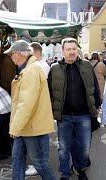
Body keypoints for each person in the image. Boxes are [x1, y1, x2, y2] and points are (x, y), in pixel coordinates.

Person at [48, 38, 100, 180]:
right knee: (63, 148)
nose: (72, 52)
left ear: (77, 49)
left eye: (74, 49)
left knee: (84, 148)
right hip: (64, 116)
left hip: (84, 115)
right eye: (68, 49)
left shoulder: (86, 65)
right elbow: (49, 91)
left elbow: (94, 87)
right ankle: (65, 173)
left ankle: (79, 168)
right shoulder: (54, 68)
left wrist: (97, 105)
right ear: (63, 51)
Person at [4, 40, 55, 180]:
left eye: (12, 54)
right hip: (26, 125)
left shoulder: (31, 70)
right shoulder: (29, 68)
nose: (11, 57)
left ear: (19, 54)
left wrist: (15, 128)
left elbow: (26, 104)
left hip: (31, 126)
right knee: (18, 160)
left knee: (38, 163)